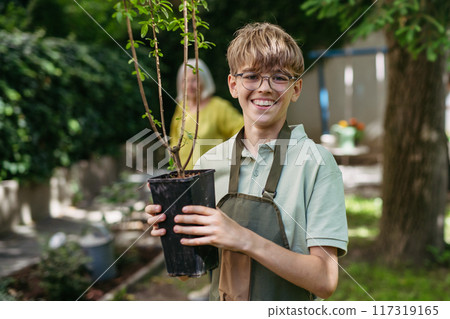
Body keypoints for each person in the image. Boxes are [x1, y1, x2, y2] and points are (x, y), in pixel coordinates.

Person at [147, 22, 348, 301]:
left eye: (279, 78)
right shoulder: (210, 162)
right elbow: (188, 272)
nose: (264, 88)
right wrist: (172, 233)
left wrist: (243, 238)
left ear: (296, 88)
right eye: (252, 76)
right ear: (233, 85)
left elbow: (325, 281)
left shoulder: (317, 164)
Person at [170, 58, 244, 169]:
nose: (189, 85)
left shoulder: (219, 107)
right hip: (184, 178)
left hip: (212, 178)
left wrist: (230, 158)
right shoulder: (181, 107)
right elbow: (174, 139)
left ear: (204, 81)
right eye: (185, 80)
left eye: (194, 80)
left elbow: (243, 129)